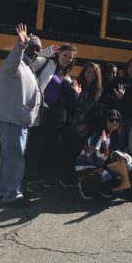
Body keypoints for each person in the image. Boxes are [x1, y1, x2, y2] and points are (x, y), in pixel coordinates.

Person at [0, 24, 43, 207]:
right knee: (15, 159)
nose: (36, 53)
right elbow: (11, 65)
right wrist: (20, 45)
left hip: (18, 121)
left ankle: (4, 191)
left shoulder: (28, 67)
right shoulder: (16, 63)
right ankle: (12, 195)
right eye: (33, 48)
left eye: (38, 50)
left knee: (8, 158)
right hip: (12, 121)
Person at [26, 43, 77, 193]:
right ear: (59, 54)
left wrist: (75, 93)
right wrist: (46, 51)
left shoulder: (66, 75)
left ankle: (44, 178)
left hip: (53, 117)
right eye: (65, 55)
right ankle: (32, 180)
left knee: (49, 147)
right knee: (36, 145)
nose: (67, 59)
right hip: (39, 111)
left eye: (70, 57)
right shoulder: (46, 62)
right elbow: (30, 61)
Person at [75, 109, 132, 199]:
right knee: (97, 181)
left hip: (101, 167)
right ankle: (84, 186)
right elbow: (92, 158)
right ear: (105, 121)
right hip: (87, 167)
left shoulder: (115, 136)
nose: (114, 122)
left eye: (117, 120)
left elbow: (111, 154)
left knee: (119, 178)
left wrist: (119, 156)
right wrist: (103, 149)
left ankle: (103, 189)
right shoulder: (97, 135)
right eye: (111, 119)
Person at [64, 62, 103, 186]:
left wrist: (89, 126)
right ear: (84, 72)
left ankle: (77, 179)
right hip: (72, 125)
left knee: (80, 155)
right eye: (88, 71)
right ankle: (67, 178)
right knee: (70, 153)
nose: (90, 74)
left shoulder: (97, 91)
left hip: (86, 128)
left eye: (93, 73)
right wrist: (76, 94)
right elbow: (69, 106)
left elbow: (95, 112)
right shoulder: (76, 84)